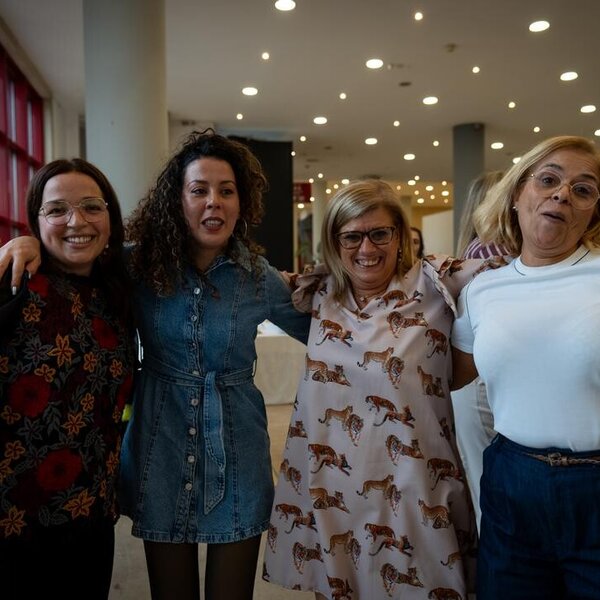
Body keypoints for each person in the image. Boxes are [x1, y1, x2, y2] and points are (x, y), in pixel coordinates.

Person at [0, 131, 311, 600]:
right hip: (160, 444)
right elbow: (76, 249)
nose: (214, 201)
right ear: (177, 201)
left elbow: (324, 333)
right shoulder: (139, 267)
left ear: (241, 203)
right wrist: (27, 242)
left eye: (227, 191)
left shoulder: (258, 278)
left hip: (238, 444)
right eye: (199, 190)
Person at [263, 179, 494, 599]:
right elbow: (249, 280)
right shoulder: (317, 292)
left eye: (379, 234)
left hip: (413, 486)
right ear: (334, 241)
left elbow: (517, 269)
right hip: (331, 484)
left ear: (400, 235)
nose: (366, 248)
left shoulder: (437, 283)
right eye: (351, 236)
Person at [452, 135, 600, 599]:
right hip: (511, 481)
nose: (562, 194)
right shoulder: (482, 289)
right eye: (549, 180)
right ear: (518, 194)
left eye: (583, 189)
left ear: (593, 212)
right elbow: (445, 377)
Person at [0, 159, 136, 599]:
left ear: (110, 220)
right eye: (57, 210)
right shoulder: (15, 281)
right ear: (36, 221)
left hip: (91, 515)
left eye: (91, 207)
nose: (77, 222)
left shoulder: (117, 294)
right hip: (14, 521)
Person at [451, 169, 507, 531]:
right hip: (478, 378)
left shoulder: (478, 252)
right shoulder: (492, 253)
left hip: (477, 378)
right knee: (489, 488)